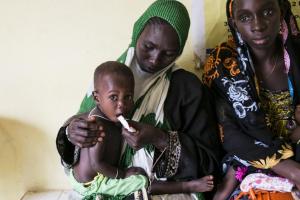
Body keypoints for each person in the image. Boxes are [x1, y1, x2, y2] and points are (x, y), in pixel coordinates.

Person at [56, 1, 221, 199]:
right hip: (103, 188)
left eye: (169, 54)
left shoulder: (187, 89)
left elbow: (210, 162)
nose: (155, 59)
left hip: (160, 192)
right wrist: (71, 132)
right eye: (148, 47)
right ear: (137, 35)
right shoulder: (107, 78)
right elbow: (78, 141)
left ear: (178, 52)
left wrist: (159, 138)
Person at [202, 0, 300, 199]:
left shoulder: (298, 55)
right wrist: (290, 169)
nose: (258, 25)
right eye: (245, 17)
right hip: (249, 160)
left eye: (267, 12)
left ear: (281, 11)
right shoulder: (222, 64)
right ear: (233, 22)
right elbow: (229, 134)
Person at [69, 61, 149, 199]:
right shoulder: (97, 126)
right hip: (91, 183)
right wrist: (122, 174)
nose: (121, 105)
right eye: (113, 97)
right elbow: (97, 164)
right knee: (140, 180)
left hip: (97, 177)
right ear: (96, 98)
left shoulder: (111, 118)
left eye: (128, 97)